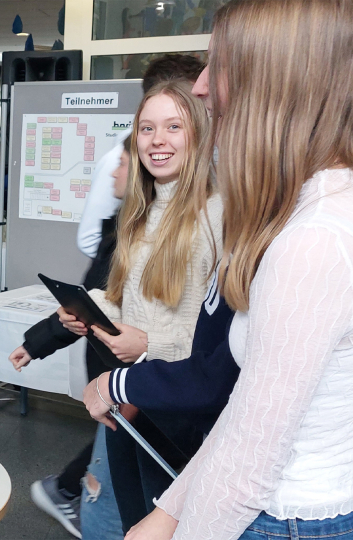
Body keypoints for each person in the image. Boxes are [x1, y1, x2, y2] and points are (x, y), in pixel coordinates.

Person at [126, 1, 353, 539]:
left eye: (220, 63)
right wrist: (168, 512)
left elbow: (253, 453)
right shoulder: (309, 212)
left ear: (277, 78)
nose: (201, 85)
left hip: (280, 517)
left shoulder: (315, 238)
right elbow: (246, 410)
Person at [13, 80, 221, 537]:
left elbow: (223, 345)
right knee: (130, 521)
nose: (157, 140)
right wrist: (82, 312)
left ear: (200, 133)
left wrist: (149, 345)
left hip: (179, 415)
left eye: (173, 127)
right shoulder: (141, 213)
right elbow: (129, 297)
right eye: (147, 128)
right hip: (133, 401)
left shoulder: (216, 217)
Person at [76, 54, 204, 262]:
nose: (202, 102)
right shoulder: (124, 158)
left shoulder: (213, 210)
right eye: (147, 128)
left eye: (174, 126)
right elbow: (90, 238)